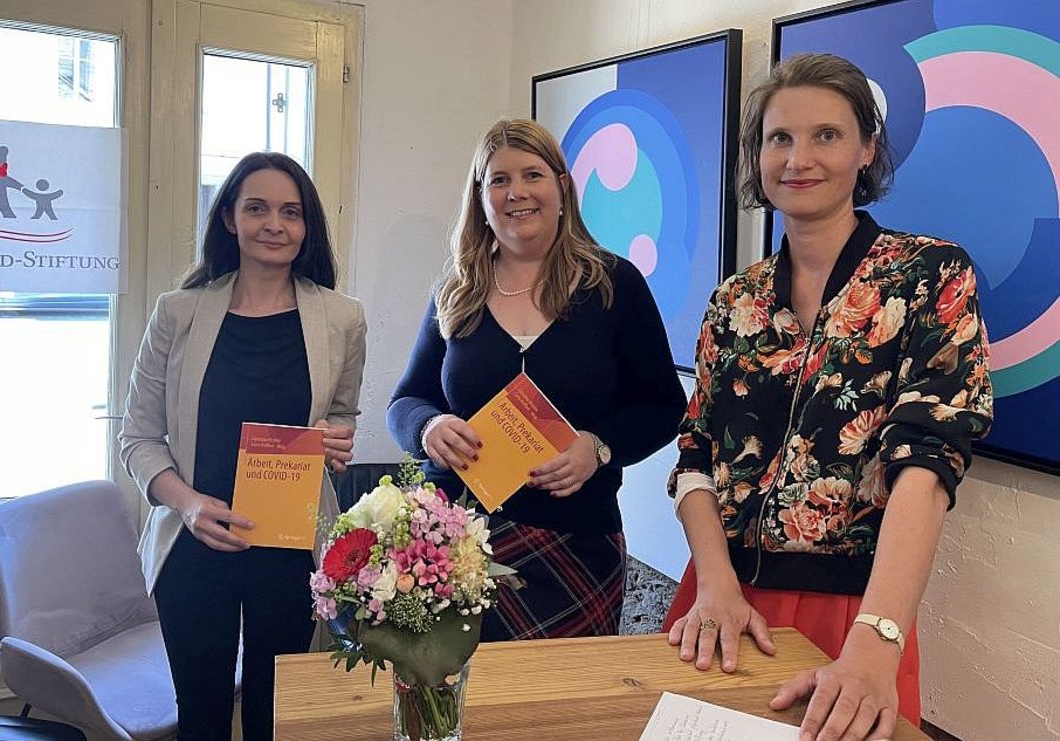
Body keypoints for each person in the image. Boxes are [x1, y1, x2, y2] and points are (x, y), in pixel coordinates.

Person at [662, 53, 993, 740]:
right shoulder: (735, 299)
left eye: (827, 135)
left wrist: (879, 635)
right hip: (718, 599)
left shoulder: (929, 275)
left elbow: (928, 461)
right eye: (779, 138)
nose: (798, 158)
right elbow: (695, 452)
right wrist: (716, 583)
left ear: (867, 148)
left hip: (856, 614)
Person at [388, 119, 686, 642]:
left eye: (532, 175)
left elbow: (663, 405)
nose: (517, 192)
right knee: (456, 692)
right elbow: (405, 401)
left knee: (567, 692)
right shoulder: (456, 291)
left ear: (562, 186)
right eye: (499, 180)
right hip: (455, 544)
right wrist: (428, 427)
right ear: (480, 197)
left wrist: (599, 447)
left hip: (578, 546)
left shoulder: (614, 285)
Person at [119, 152, 366, 741]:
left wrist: (333, 441)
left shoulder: (342, 319)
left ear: (307, 226)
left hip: (291, 551)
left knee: (272, 718)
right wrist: (188, 505)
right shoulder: (177, 313)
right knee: (201, 718)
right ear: (229, 217)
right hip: (194, 547)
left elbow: (340, 417)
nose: (274, 225)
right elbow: (138, 437)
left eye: (291, 212)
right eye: (257, 209)